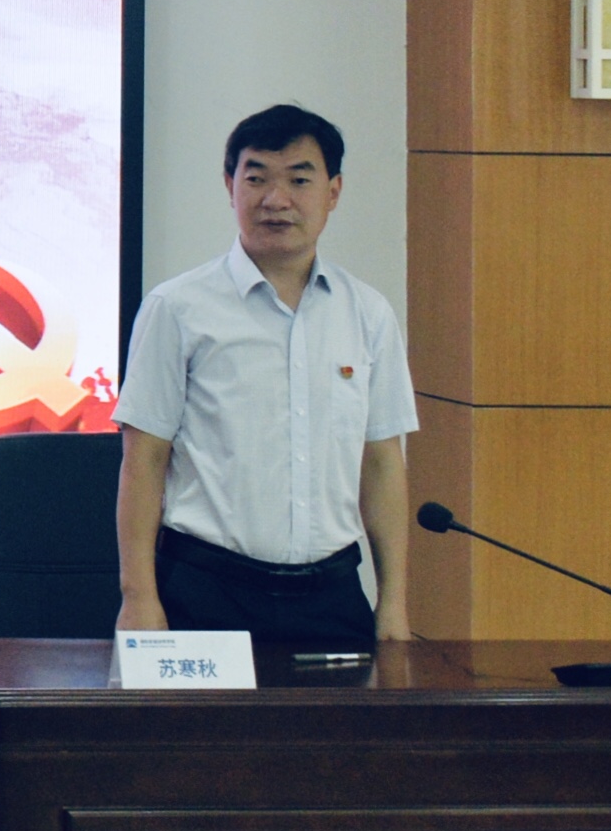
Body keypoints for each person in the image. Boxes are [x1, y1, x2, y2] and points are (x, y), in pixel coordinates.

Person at [116, 104, 415, 647]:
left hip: (331, 596)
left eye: (299, 180)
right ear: (229, 185)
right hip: (206, 590)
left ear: (333, 192)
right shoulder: (177, 308)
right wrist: (139, 598)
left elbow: (381, 464)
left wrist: (393, 602)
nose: (276, 200)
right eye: (256, 179)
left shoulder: (368, 314)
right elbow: (145, 460)